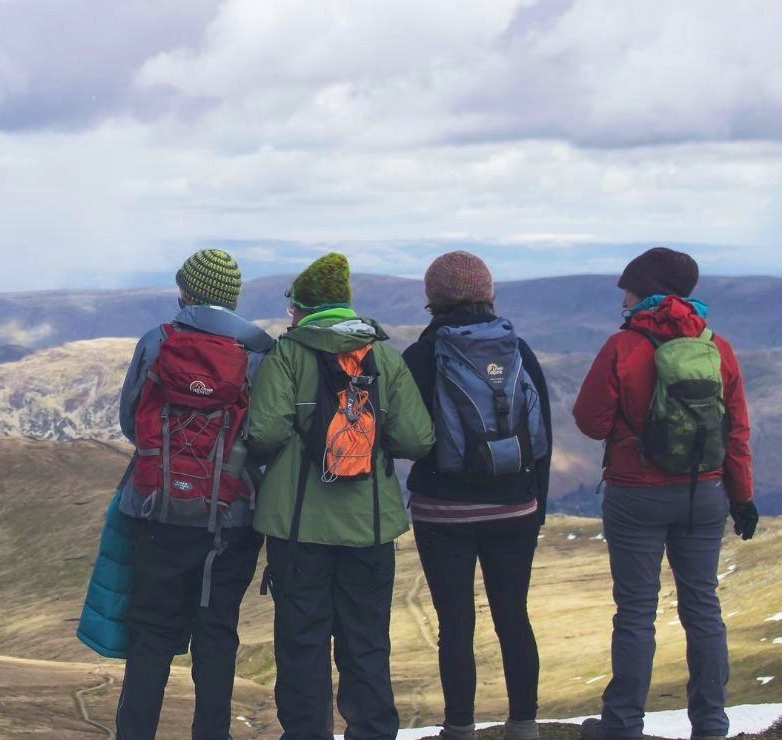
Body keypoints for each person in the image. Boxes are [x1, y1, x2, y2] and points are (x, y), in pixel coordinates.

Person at [573, 247, 758, 740]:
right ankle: (711, 725)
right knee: (703, 608)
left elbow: (590, 422)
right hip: (704, 492)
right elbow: (737, 431)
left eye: (628, 290)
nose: (623, 299)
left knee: (636, 612)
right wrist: (741, 497)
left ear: (646, 292)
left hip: (636, 494)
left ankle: (622, 726)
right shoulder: (717, 346)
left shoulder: (623, 346)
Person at [247, 252, 435, 740]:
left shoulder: (287, 355)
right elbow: (417, 439)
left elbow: (264, 433)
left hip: (297, 529)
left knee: (302, 643)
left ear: (305, 308)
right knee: (366, 641)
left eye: (292, 307)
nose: (290, 315)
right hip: (368, 528)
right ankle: (371, 731)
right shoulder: (384, 357)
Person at [113, 248, 276, 740]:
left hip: (157, 511)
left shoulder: (157, 341)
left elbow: (131, 421)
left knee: (151, 634)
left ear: (185, 291)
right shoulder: (260, 352)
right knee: (216, 632)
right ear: (232, 297)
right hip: (230, 517)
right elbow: (265, 435)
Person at [401, 251, 552, 740]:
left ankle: (460, 727)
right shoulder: (518, 350)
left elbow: (405, 437)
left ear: (433, 298)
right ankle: (524, 724)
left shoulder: (421, 357)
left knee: (455, 623)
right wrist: (536, 506)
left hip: (443, 512)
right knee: (513, 615)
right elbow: (542, 436)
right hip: (515, 507)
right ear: (488, 293)